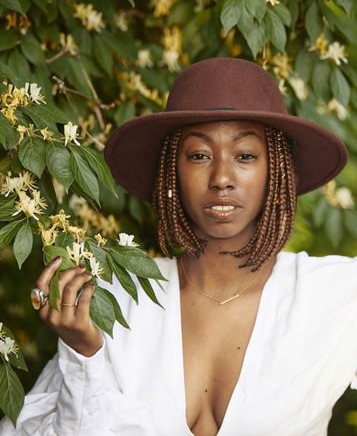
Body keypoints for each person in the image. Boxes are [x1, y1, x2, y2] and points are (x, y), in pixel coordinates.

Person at [1, 57, 356, 436]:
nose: (221, 178)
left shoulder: (337, 295)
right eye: (200, 155)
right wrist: (84, 354)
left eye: (246, 156)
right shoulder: (117, 298)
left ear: (277, 170)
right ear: (173, 170)